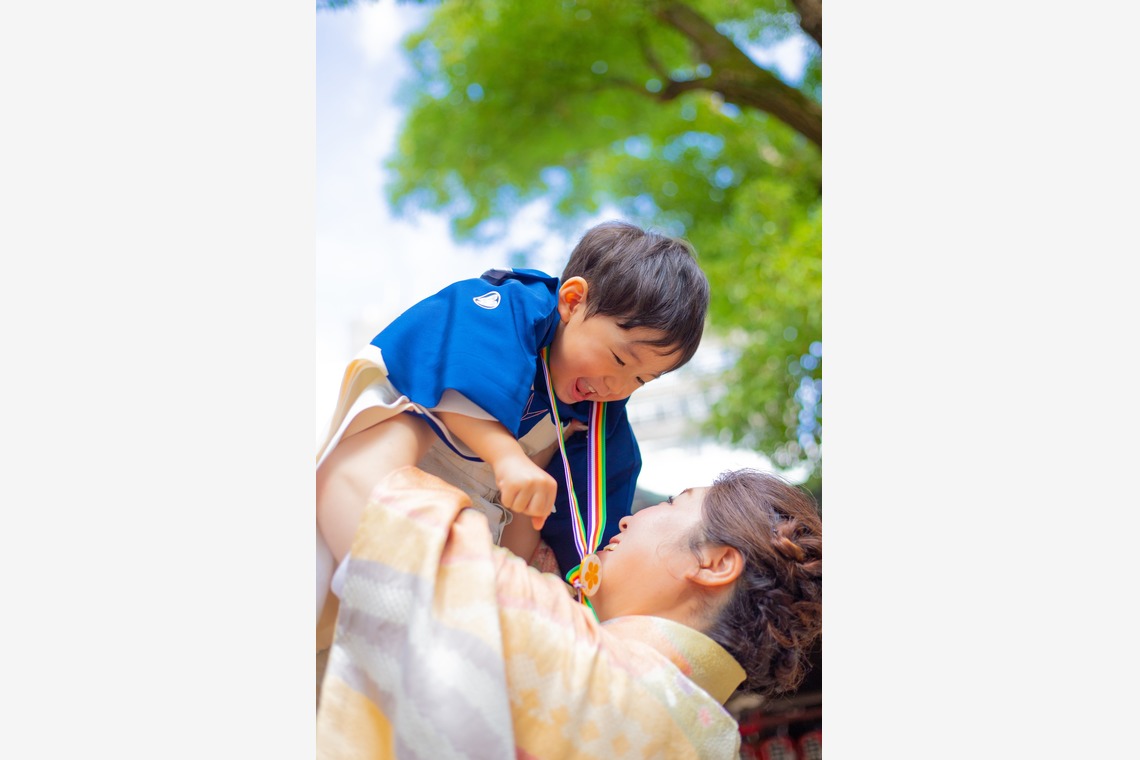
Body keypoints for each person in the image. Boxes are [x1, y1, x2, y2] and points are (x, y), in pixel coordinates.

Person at [315, 220, 710, 628]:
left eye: (641, 381)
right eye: (621, 360)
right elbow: (449, 374)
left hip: (460, 537)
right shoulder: (502, 310)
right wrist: (507, 457)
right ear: (573, 302)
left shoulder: (594, 419)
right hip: (373, 489)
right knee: (401, 428)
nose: (618, 386)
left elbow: (569, 532)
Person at [315, 465, 822, 759]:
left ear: (713, 563)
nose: (628, 517)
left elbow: (353, 482)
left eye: (671, 503)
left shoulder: (571, 650)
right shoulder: (710, 742)